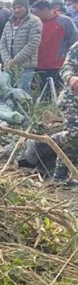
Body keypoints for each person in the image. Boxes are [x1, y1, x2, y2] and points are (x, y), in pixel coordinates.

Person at [0, 0, 42, 92]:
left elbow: (33, 44)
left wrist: (15, 60)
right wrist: (7, 60)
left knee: (21, 94)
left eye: (20, 7)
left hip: (25, 65)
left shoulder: (34, 21)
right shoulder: (9, 23)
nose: (17, 10)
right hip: (9, 66)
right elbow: (2, 43)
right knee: (7, 92)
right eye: (14, 8)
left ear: (26, 8)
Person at [33, 0, 78, 89]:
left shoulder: (65, 21)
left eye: (36, 13)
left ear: (45, 10)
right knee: (42, 95)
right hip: (39, 65)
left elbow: (74, 41)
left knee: (57, 94)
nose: (35, 15)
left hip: (58, 66)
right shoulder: (36, 23)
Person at [53, 42, 78, 181]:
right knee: (74, 135)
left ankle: (60, 176)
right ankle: (48, 141)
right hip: (73, 98)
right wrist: (71, 78)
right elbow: (66, 67)